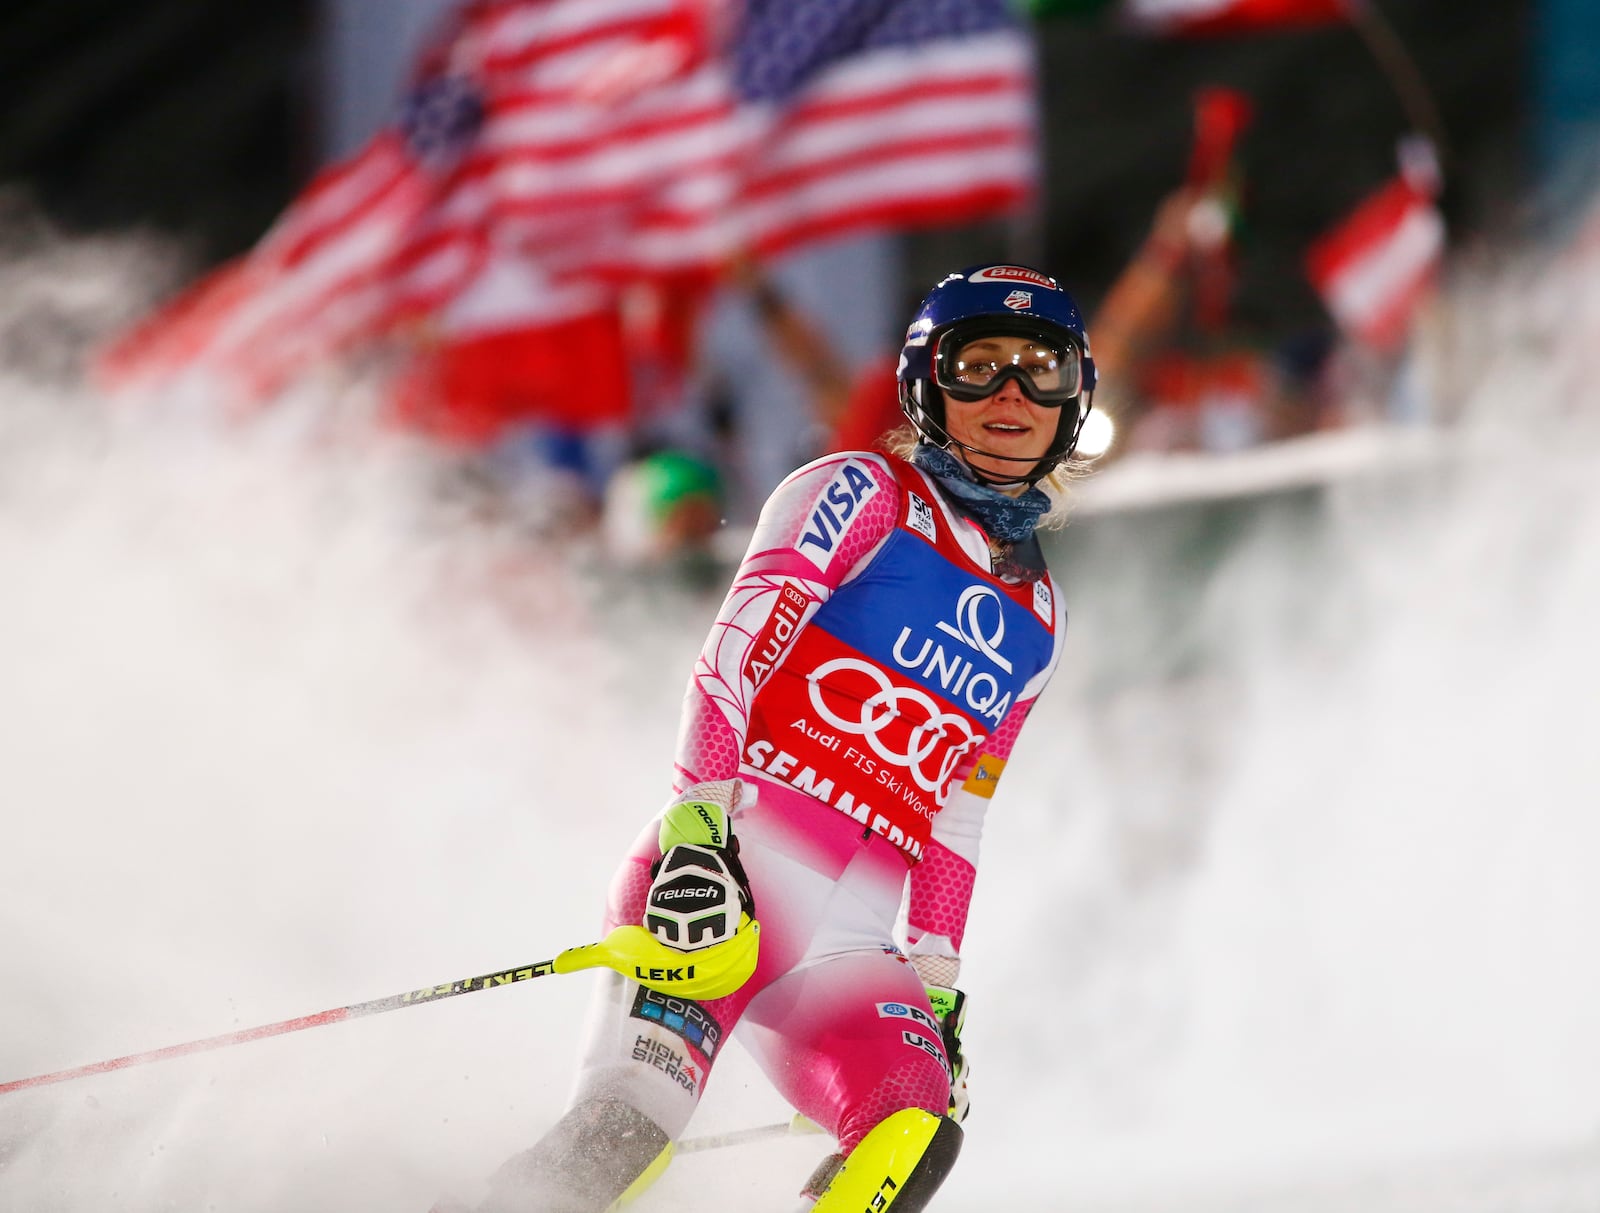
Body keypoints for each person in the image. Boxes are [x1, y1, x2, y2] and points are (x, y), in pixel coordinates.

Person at [465, 263, 1096, 1212]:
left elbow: (960, 810)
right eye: (980, 366)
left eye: (1039, 370)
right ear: (929, 384)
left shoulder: (1039, 613)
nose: (1011, 393)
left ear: (1073, 398)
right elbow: (730, 660)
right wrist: (695, 836)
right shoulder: (861, 493)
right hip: (723, 884)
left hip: (847, 948)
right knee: (621, 1140)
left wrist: (938, 982)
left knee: (910, 1136)